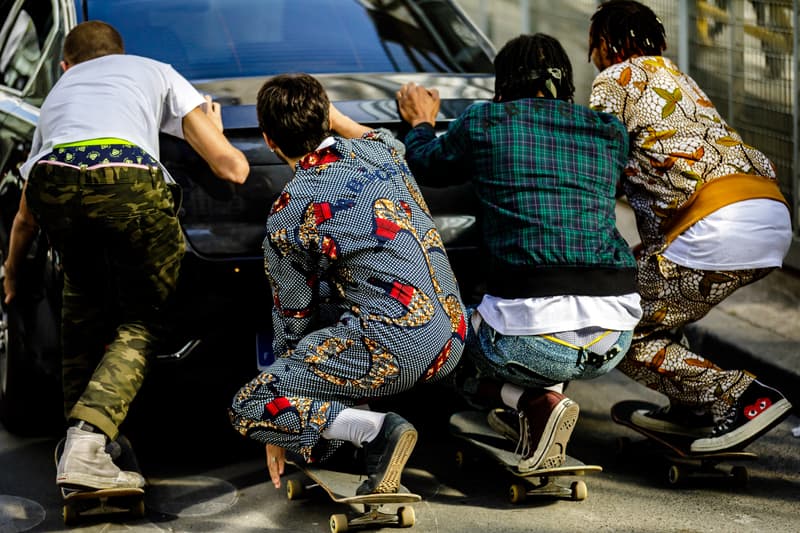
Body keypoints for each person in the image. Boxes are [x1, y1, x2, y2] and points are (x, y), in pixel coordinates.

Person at [3, 20, 249, 490]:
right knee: (144, 319)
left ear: (66, 64)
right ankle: (90, 442)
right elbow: (232, 167)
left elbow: (25, 215)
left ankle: (80, 447)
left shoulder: (59, 92)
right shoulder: (156, 70)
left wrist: (11, 275)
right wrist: (212, 128)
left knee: (81, 309)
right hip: (128, 179)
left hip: (55, 181)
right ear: (121, 53)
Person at [395, 33, 642, 472]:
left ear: (502, 84)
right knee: (539, 319)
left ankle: (534, 402)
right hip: (614, 334)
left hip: (531, 335)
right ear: (566, 82)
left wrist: (420, 123)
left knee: (442, 345)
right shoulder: (609, 132)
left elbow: (429, 164)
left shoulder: (484, 122)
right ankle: (542, 409)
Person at [228, 73, 467, 494]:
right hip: (452, 336)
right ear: (327, 117)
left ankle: (375, 431)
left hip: (397, 349)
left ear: (268, 140)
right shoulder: (382, 155)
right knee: (342, 299)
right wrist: (329, 117)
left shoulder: (290, 210)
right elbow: (376, 136)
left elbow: (293, 317)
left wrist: (287, 407)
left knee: (249, 406)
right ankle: (356, 418)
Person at [588, 0, 793, 453]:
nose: (595, 57)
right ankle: (690, 406)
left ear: (605, 43)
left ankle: (736, 394)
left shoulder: (614, 79)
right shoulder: (678, 77)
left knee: (613, 325)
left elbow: (601, 160)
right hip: (766, 211)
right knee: (656, 302)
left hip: (716, 226)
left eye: (594, 47)